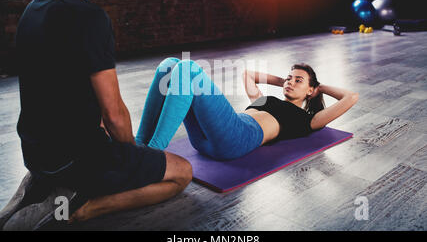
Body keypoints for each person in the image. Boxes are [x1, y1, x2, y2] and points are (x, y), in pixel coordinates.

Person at [15, 0, 192, 225]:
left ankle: (50, 184)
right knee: (183, 172)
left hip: (35, 156)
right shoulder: (89, 17)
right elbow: (114, 115)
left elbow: (59, 91)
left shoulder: (33, 9)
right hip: (77, 162)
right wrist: (134, 157)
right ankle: (85, 207)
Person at [135, 58, 359, 160]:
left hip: (235, 139)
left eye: (298, 80)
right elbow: (248, 74)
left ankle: (150, 155)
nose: (290, 82)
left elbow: (351, 97)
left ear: (310, 91)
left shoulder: (306, 119)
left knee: (187, 69)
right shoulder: (265, 100)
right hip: (206, 139)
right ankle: (137, 145)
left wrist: (318, 87)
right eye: (289, 78)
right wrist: (284, 80)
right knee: (169, 65)